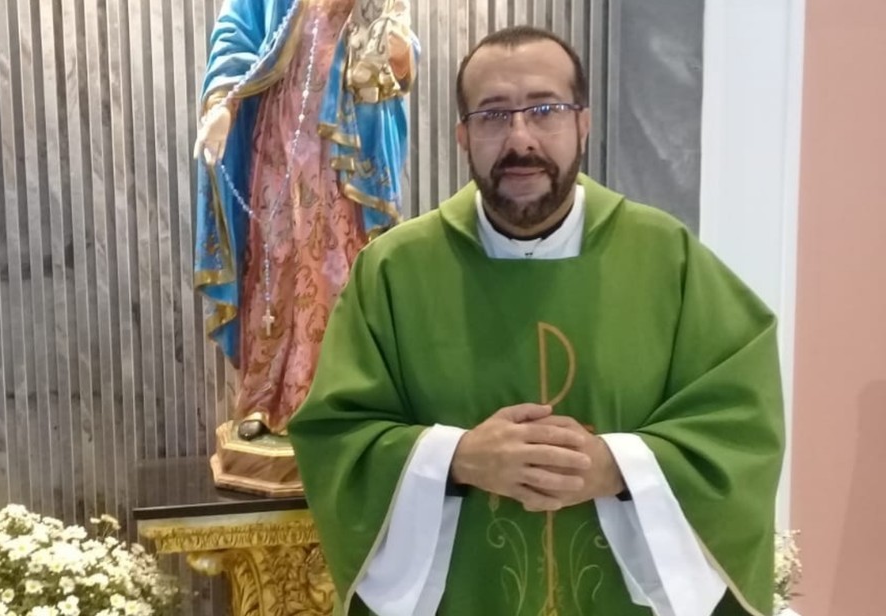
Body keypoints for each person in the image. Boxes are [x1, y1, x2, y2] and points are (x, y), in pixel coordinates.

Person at [289, 25, 785, 616]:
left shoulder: (666, 259)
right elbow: (337, 440)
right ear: (462, 135)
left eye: (545, 110)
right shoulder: (393, 272)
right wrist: (458, 457)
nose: (520, 138)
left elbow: (739, 427)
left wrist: (617, 467)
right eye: (493, 115)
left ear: (583, 124)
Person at [193, 0, 418, 440]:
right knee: (274, 259)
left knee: (341, 267)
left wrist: (391, 46)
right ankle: (264, 396)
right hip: (279, 135)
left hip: (344, 146)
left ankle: (339, 401)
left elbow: (400, 47)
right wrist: (224, 105)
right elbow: (236, 33)